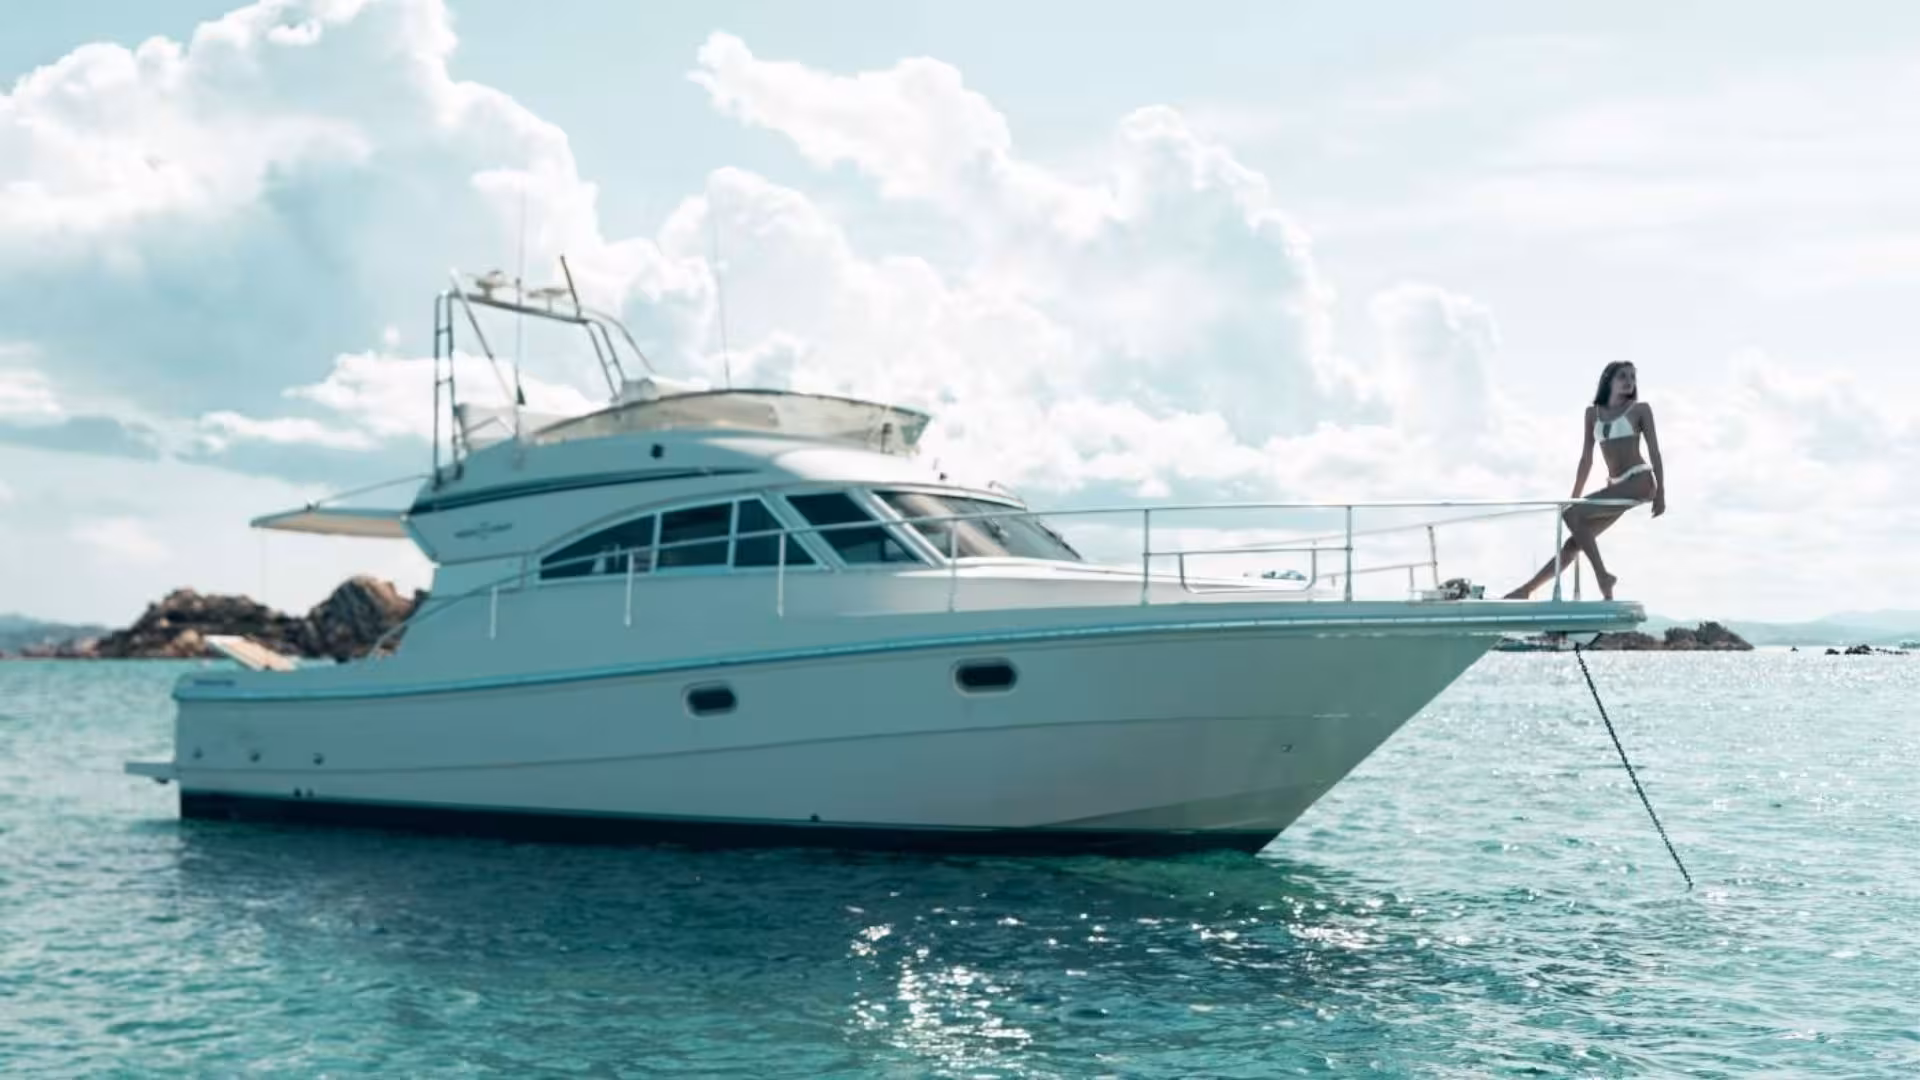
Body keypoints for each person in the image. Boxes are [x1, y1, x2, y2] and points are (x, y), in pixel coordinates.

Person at [1504, 361, 1665, 601]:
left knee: (1572, 515)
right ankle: (1526, 590)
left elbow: (1654, 452)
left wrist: (1661, 492)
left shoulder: (1640, 409)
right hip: (1617, 486)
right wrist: (1573, 498)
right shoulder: (1592, 413)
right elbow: (1586, 460)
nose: (1629, 381)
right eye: (1623, 376)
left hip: (1639, 481)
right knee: (1573, 542)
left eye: (1633, 376)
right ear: (1608, 380)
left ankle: (1602, 577)